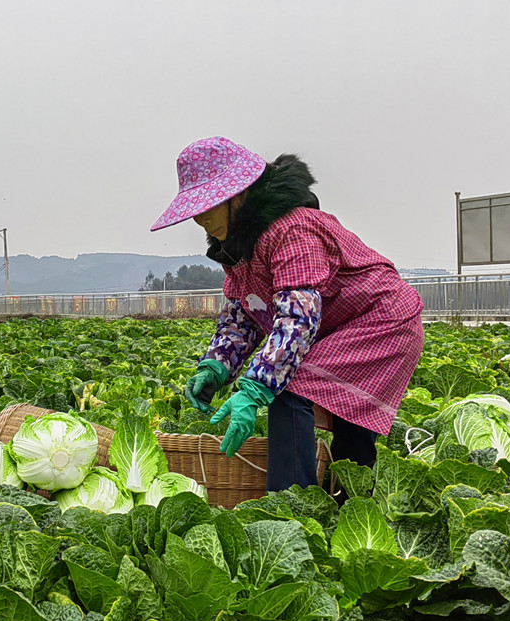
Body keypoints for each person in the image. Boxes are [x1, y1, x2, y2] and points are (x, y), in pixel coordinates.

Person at [150, 136, 423, 492]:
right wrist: (216, 366)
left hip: (382, 322)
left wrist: (255, 387)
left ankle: (294, 501)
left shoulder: (292, 230)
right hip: (342, 326)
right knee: (339, 415)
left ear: (236, 196)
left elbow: (297, 319)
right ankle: (347, 500)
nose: (201, 219)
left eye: (208, 206)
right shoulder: (238, 246)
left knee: (287, 386)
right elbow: (246, 314)